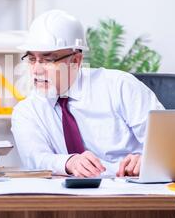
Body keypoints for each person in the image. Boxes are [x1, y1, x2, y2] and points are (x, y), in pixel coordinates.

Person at [11, 10, 164, 177]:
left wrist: (147, 160)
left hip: (134, 192)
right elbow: (34, 159)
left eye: (48, 60)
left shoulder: (120, 87)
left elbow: (170, 145)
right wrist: (68, 162)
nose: (37, 70)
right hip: (68, 198)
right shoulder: (26, 111)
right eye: (32, 59)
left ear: (76, 61)